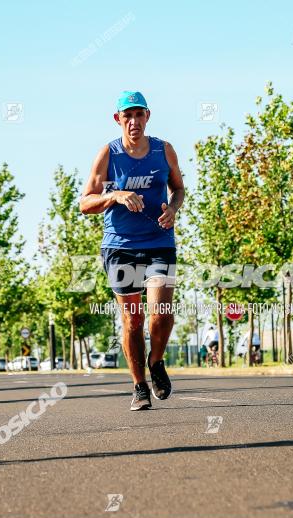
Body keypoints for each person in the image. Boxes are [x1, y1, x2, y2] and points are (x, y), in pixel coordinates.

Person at [80, 90, 186, 411]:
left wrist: (174, 209)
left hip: (158, 241)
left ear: (147, 117)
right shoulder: (108, 155)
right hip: (120, 246)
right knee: (132, 320)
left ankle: (156, 361)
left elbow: (178, 188)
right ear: (118, 120)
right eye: (127, 116)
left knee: (162, 312)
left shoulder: (163, 150)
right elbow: (86, 202)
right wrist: (115, 196)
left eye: (139, 114)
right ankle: (139, 385)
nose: (134, 121)